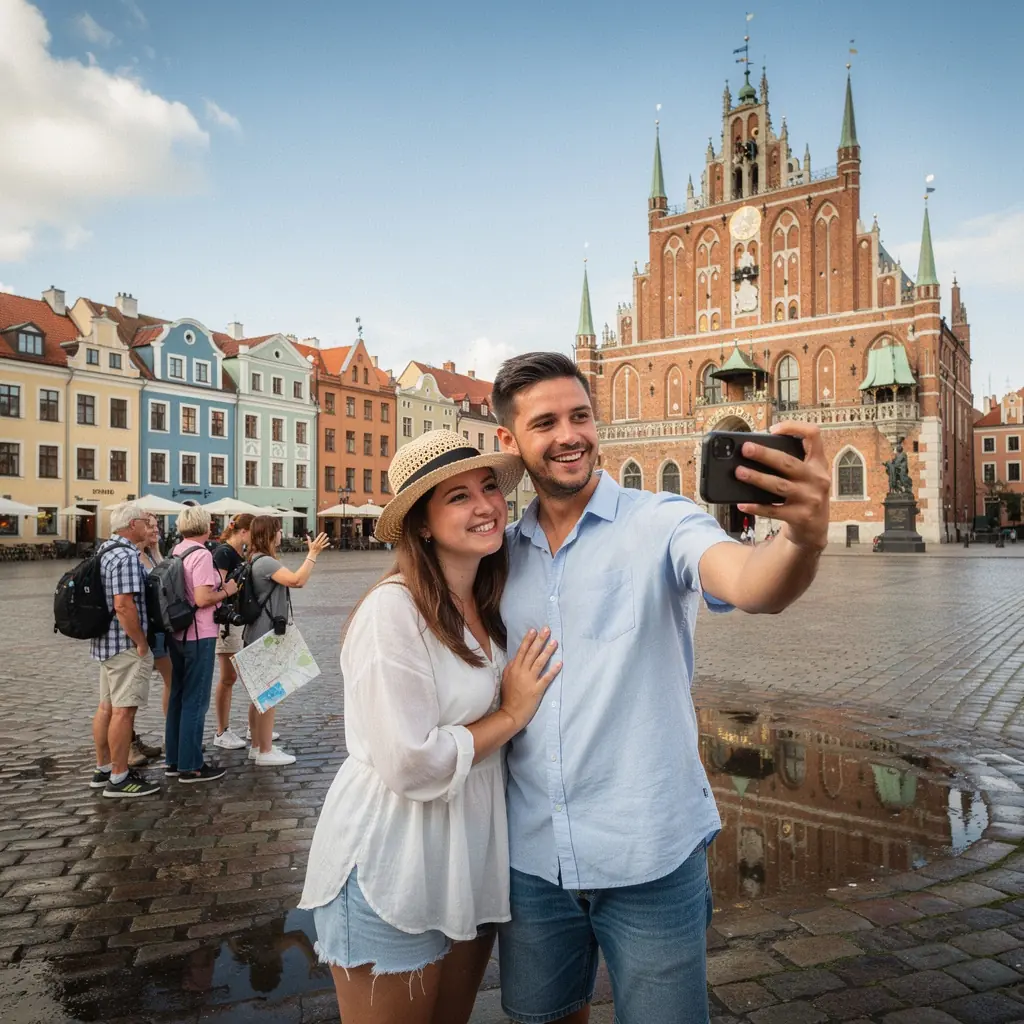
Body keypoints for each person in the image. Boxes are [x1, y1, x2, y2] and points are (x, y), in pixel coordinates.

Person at [490, 352, 831, 1024]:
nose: (570, 435)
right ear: (509, 441)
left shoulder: (661, 521)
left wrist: (804, 539)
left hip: (648, 853)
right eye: (546, 422)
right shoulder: (496, 554)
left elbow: (750, 583)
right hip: (532, 859)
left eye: (581, 415)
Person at [300, 430, 561, 1024]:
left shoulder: (489, 603)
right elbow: (409, 761)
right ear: (420, 524)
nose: (486, 505)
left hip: (467, 860)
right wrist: (512, 714)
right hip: (395, 859)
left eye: (489, 487)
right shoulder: (393, 610)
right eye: (458, 497)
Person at [242, 516, 330, 766]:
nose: (281, 534)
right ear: (270, 534)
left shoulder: (255, 558)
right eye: (278, 530)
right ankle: (265, 752)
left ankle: (258, 746)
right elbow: (297, 580)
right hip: (265, 634)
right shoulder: (266, 562)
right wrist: (312, 554)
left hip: (258, 632)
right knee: (270, 693)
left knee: (260, 694)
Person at [89, 502, 159, 798]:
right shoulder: (127, 556)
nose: (148, 525)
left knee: (106, 708)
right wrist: (141, 641)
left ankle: (103, 767)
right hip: (125, 645)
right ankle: (119, 777)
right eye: (145, 521)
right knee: (123, 712)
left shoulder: (103, 551)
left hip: (105, 642)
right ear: (133, 525)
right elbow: (123, 604)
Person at [165, 505, 238, 784]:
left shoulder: (177, 550)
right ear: (206, 526)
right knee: (196, 700)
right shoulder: (202, 555)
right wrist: (227, 590)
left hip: (178, 633)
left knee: (178, 697)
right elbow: (203, 598)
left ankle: (174, 758)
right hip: (199, 633)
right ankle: (191, 765)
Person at [128, 513, 170, 767]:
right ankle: (129, 743)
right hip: (145, 632)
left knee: (171, 681)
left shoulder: (150, 554)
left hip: (158, 629)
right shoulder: (133, 557)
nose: (155, 531)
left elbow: (166, 579)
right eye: (151, 526)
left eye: (157, 527)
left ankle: (168, 735)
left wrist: (156, 551)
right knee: (129, 696)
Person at [211, 514, 254, 751]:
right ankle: (221, 730)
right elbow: (218, 586)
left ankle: (254, 725)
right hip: (227, 623)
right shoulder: (224, 553)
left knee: (243, 675)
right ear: (243, 531)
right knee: (228, 677)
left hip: (240, 620)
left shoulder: (240, 553)